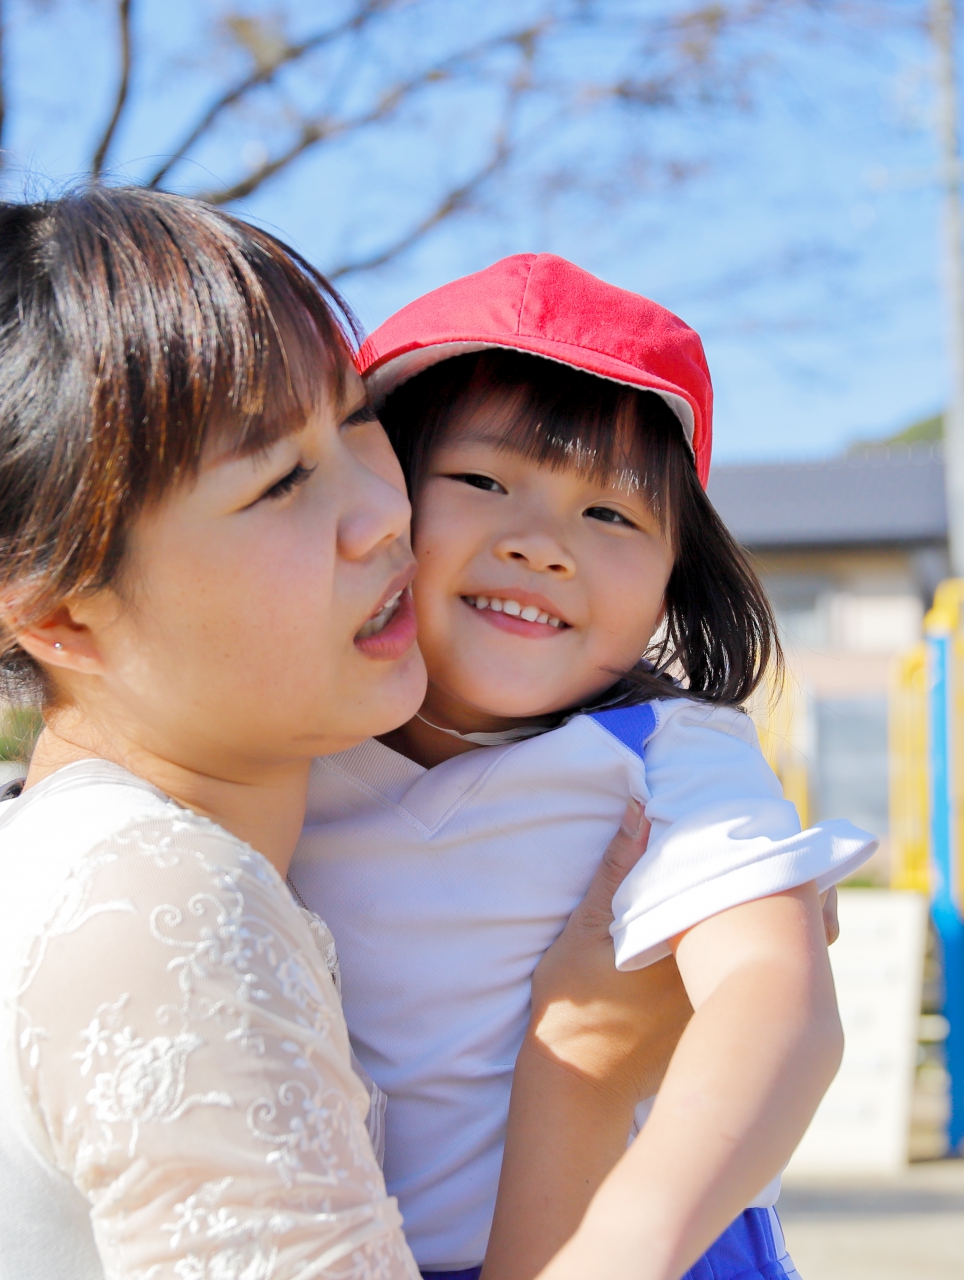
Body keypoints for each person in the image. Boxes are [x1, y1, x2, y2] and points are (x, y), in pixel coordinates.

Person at [0, 191, 688, 1280]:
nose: (385, 511)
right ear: (54, 612)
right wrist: (585, 1072)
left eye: (355, 419)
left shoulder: (49, 859)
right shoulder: (162, 905)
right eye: (280, 479)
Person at [291, 254, 877, 1280]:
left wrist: (633, 1235)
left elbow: (774, 994)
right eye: (481, 480)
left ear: (671, 581)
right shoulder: (291, 753)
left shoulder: (665, 756)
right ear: (376, 507)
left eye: (611, 515)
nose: (544, 544)